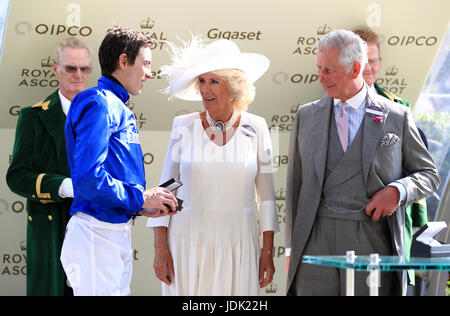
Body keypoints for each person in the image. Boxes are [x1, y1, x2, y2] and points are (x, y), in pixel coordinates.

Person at [285, 29, 440, 296]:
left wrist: (397, 191)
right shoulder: (307, 116)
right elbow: (295, 188)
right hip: (314, 244)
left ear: (356, 68)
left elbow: (428, 174)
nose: (321, 77)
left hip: (373, 243)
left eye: (330, 70)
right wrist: (291, 249)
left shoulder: (396, 116)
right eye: (319, 68)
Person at [146, 37, 280, 295]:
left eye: (214, 81)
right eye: (202, 81)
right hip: (187, 244)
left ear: (233, 87)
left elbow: (267, 199)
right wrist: (160, 249)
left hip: (238, 244)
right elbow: (167, 189)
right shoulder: (183, 126)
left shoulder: (257, 127)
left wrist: (267, 252)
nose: (205, 89)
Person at [60, 26, 178, 296]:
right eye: (145, 64)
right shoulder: (99, 102)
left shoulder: (115, 105)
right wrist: (140, 199)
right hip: (96, 234)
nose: (149, 73)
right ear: (123, 61)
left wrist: (139, 207)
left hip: (112, 232)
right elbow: (89, 179)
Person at [6, 37, 92, 296]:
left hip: (92, 228)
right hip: (50, 231)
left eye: (84, 69)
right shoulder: (32, 116)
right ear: (55, 69)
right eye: (70, 68)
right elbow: (17, 176)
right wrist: (62, 186)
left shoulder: (104, 115)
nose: (78, 75)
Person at [354, 28, 430, 286]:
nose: (368, 70)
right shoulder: (324, 109)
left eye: (372, 62)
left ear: (380, 64)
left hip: (389, 226)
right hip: (346, 230)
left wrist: (400, 197)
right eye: (362, 63)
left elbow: (419, 169)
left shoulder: (400, 107)